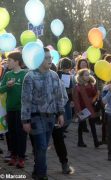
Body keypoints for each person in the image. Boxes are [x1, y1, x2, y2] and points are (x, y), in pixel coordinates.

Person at [21, 47, 65, 180]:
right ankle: (41, 175)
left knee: (43, 147)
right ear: (39, 59)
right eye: (46, 58)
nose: (50, 60)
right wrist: (25, 120)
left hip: (50, 117)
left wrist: (60, 113)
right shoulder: (30, 76)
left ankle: (36, 170)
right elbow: (26, 99)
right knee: (40, 146)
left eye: (50, 57)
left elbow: (59, 96)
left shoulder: (54, 75)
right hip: (36, 117)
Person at [0, 51, 27, 168]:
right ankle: (14, 155)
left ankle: (21, 157)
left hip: (22, 109)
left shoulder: (25, 74)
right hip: (10, 109)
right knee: (12, 133)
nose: (7, 63)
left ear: (16, 62)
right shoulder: (7, 74)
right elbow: (1, 89)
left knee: (21, 133)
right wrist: (7, 86)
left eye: (9, 61)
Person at [73, 68, 102, 148]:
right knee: (81, 125)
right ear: (81, 76)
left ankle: (96, 142)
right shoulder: (78, 87)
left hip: (90, 108)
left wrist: (97, 94)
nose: (88, 76)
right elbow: (76, 100)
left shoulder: (91, 85)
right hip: (82, 108)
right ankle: (80, 141)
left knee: (92, 125)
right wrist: (78, 110)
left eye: (88, 74)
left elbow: (95, 95)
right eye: (86, 75)